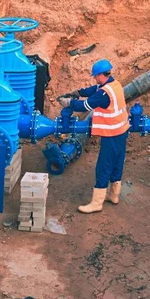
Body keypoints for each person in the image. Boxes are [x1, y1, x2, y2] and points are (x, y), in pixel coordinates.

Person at [58, 59, 130, 213]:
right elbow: (94, 89)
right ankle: (114, 195)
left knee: (104, 166)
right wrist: (79, 92)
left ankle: (97, 203)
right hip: (122, 131)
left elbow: (85, 105)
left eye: (95, 76)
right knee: (117, 163)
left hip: (111, 134)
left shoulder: (104, 94)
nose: (95, 79)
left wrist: (69, 102)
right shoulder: (114, 85)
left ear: (100, 75)